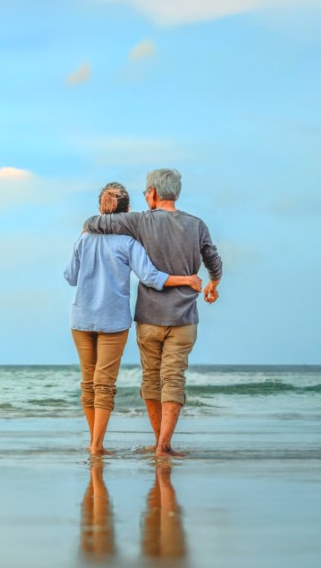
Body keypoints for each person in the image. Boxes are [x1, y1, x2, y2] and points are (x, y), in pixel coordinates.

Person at [83, 169, 222, 457]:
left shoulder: (140, 221)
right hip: (184, 318)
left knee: (151, 379)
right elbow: (213, 260)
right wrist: (213, 285)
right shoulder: (197, 224)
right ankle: (164, 445)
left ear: (155, 193)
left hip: (149, 317)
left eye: (147, 192)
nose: (146, 196)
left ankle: (159, 440)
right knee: (173, 379)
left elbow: (94, 223)